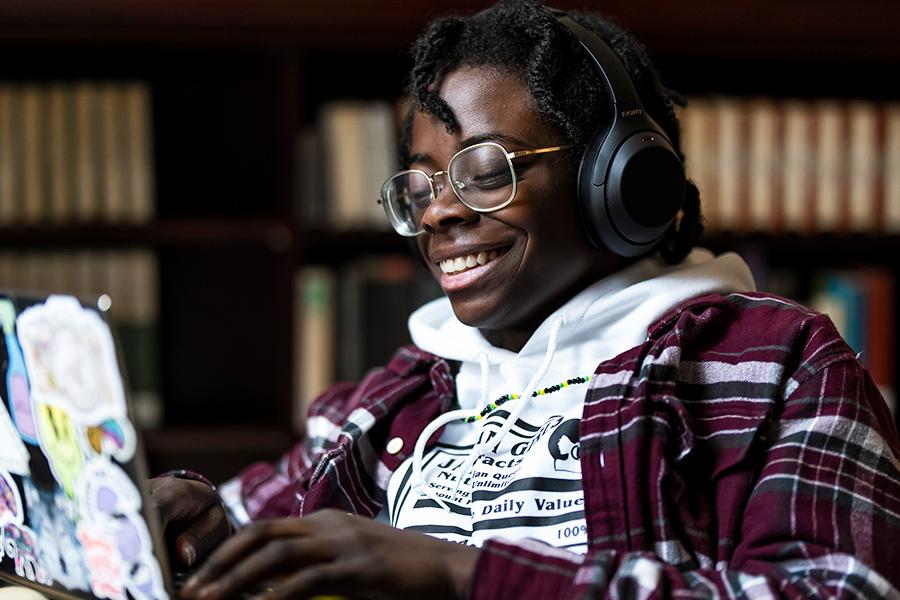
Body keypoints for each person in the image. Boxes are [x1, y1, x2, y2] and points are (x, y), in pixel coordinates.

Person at [150, 1, 900, 598]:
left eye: (485, 171)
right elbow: (259, 515)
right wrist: (208, 526)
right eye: (423, 184)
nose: (440, 212)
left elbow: (834, 589)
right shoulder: (403, 391)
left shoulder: (777, 365)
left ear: (619, 182)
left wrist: (460, 574)